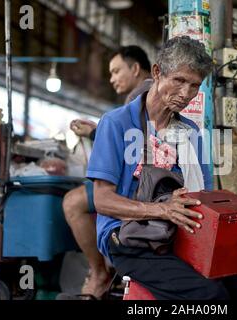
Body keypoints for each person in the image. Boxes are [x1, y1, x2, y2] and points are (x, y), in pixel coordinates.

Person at [87, 36, 237, 300]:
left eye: (194, 85)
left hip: (175, 234)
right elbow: (102, 200)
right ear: (157, 72)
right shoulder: (116, 123)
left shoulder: (190, 132)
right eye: (179, 80)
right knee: (208, 294)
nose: (186, 93)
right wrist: (162, 210)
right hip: (127, 237)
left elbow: (204, 202)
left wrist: (230, 251)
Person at [61, 46, 152, 300]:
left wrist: (93, 132)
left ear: (135, 68)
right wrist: (96, 129)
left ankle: (100, 273)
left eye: (116, 71)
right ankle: (109, 267)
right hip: (139, 180)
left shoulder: (143, 94)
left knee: (72, 203)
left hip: (136, 185)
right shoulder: (140, 96)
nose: (111, 78)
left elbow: (132, 142)